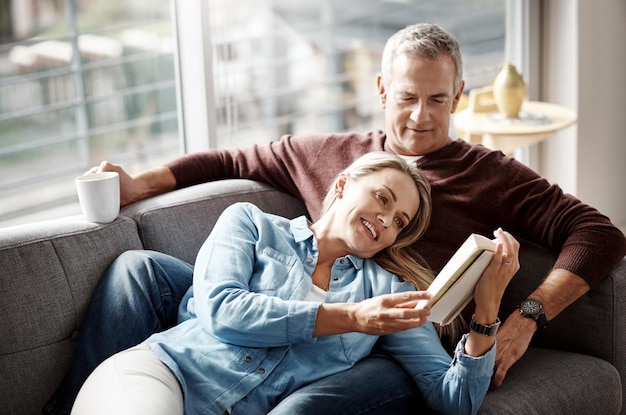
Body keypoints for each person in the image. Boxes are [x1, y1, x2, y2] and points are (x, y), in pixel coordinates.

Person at [43, 22, 626, 414]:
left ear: (460, 96)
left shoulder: (490, 172)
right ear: (381, 91)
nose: (421, 116)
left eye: (438, 99)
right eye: (406, 96)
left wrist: (523, 316)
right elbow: (232, 159)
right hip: (312, 289)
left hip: (396, 331)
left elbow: (600, 234)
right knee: (137, 270)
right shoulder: (332, 155)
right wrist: (141, 183)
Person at [71, 152, 519, 415]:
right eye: (382, 198)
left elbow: (454, 398)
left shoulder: (386, 293)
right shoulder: (251, 223)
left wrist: (486, 311)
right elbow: (222, 311)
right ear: (343, 185)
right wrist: (351, 319)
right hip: (162, 373)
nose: (385, 220)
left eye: (399, 221)